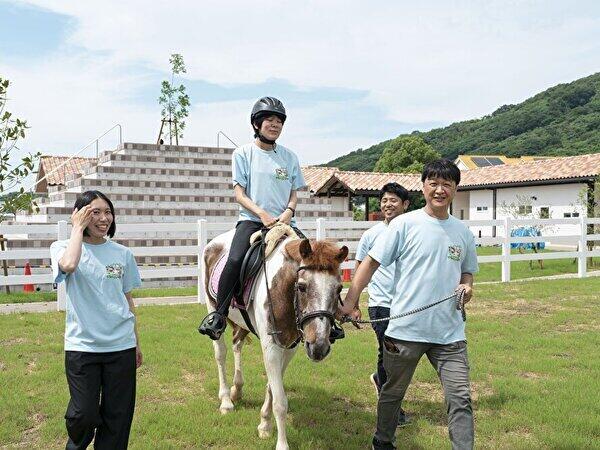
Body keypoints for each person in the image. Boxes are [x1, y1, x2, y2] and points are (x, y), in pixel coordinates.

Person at [341, 159, 478, 450]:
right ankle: (383, 442)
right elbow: (370, 263)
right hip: (405, 331)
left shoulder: (462, 233)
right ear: (424, 186)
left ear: (455, 188)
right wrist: (350, 302)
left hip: (450, 334)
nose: (440, 190)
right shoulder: (404, 224)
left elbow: (467, 272)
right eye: (434, 184)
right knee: (392, 393)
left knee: (460, 397)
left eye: (447, 184)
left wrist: (467, 286)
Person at [198, 96, 306, 340]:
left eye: (279, 120)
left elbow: (293, 194)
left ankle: (330, 320)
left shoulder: (290, 157)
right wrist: (262, 214)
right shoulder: (243, 154)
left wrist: (288, 212)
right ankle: (220, 315)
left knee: (316, 262)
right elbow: (239, 194)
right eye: (269, 119)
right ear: (257, 124)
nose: (275, 124)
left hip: (286, 222)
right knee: (235, 260)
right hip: (252, 220)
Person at [50, 190, 142, 450]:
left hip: (120, 347)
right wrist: (76, 231)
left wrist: (136, 340)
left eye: (108, 212)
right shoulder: (62, 248)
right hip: (83, 348)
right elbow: (68, 265)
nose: (104, 219)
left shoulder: (123, 254)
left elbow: (127, 299)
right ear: (79, 216)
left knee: (118, 418)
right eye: (95, 212)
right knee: (83, 415)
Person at [355, 183, 410, 426]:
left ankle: (381, 380)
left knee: (404, 354)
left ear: (406, 205)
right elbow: (359, 268)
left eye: (394, 200)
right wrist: (354, 303)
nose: (388, 204)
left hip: (408, 303)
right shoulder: (371, 235)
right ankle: (391, 408)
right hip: (381, 304)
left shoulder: (413, 230)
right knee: (389, 353)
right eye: (385, 200)